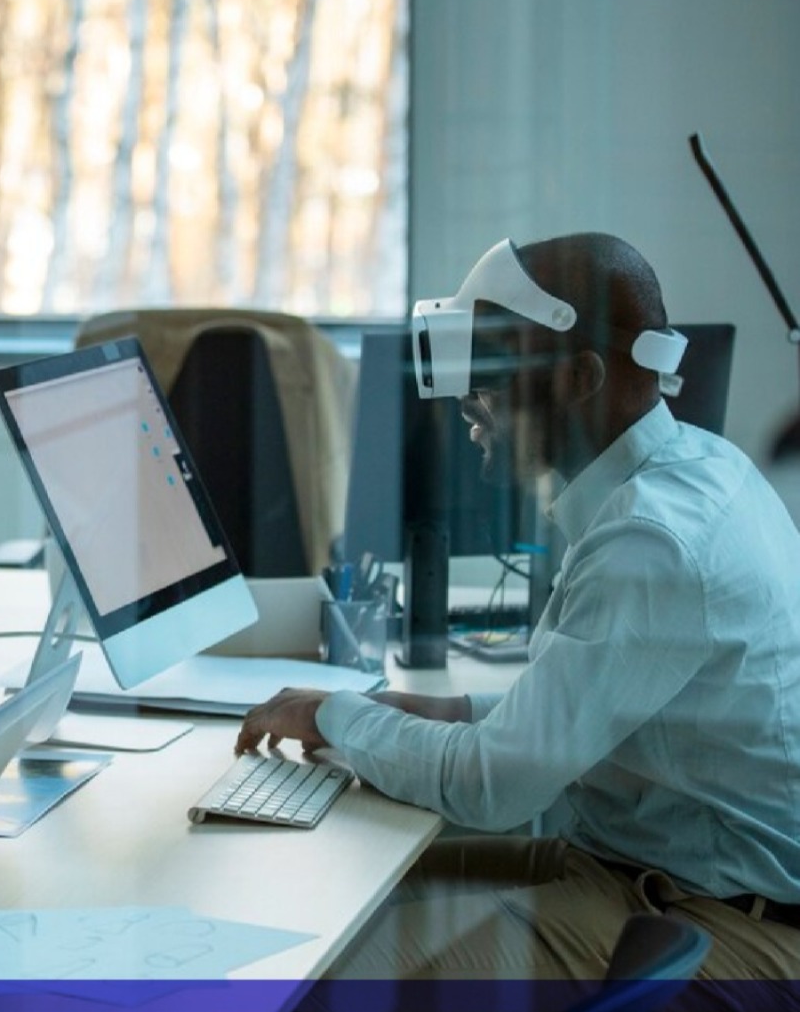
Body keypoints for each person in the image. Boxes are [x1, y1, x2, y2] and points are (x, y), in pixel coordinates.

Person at [238, 234, 800, 991]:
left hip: (717, 921)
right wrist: (442, 708)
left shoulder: (650, 540)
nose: (470, 392)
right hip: (646, 873)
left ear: (580, 376)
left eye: (492, 363)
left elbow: (492, 786)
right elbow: (584, 707)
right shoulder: (692, 468)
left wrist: (338, 715)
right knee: (328, 899)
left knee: (327, 978)